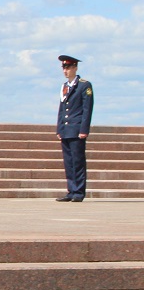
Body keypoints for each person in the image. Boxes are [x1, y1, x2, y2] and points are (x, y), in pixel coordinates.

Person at [56, 55, 93, 202]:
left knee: (78, 162)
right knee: (68, 162)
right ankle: (71, 190)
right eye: (64, 68)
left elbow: (87, 109)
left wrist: (84, 129)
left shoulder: (84, 85)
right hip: (66, 130)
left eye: (69, 68)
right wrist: (59, 129)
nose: (66, 71)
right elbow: (61, 109)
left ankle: (78, 192)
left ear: (75, 68)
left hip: (77, 129)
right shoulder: (64, 87)